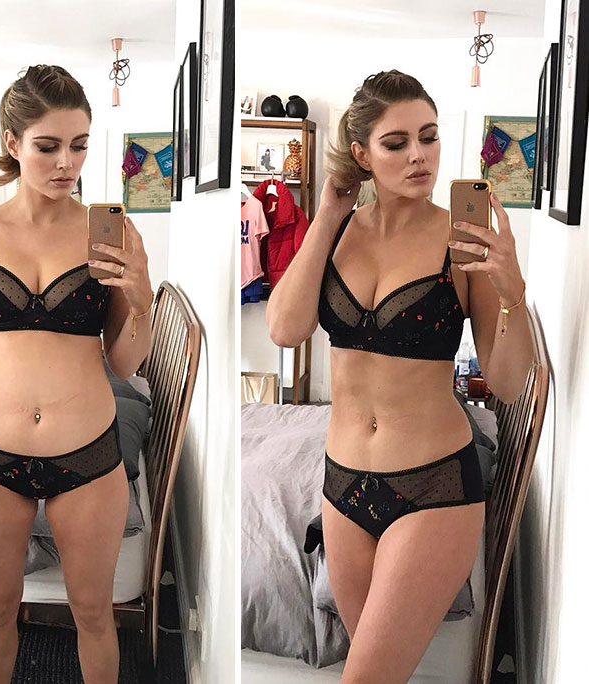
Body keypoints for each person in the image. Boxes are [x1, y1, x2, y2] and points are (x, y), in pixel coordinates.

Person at [266, 69, 534, 683]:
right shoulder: (338, 233)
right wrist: (326, 215)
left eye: (429, 137)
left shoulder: (461, 239)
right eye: (397, 143)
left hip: (432, 486)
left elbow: (508, 381)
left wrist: (511, 289)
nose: (419, 155)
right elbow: (284, 328)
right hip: (343, 486)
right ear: (362, 154)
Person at [0, 64, 154, 684]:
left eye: (79, 145)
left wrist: (141, 301)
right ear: (12, 142)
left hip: (87, 455)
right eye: (49, 146)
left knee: (94, 614)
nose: (67, 163)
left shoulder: (109, 230)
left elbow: (123, 361)